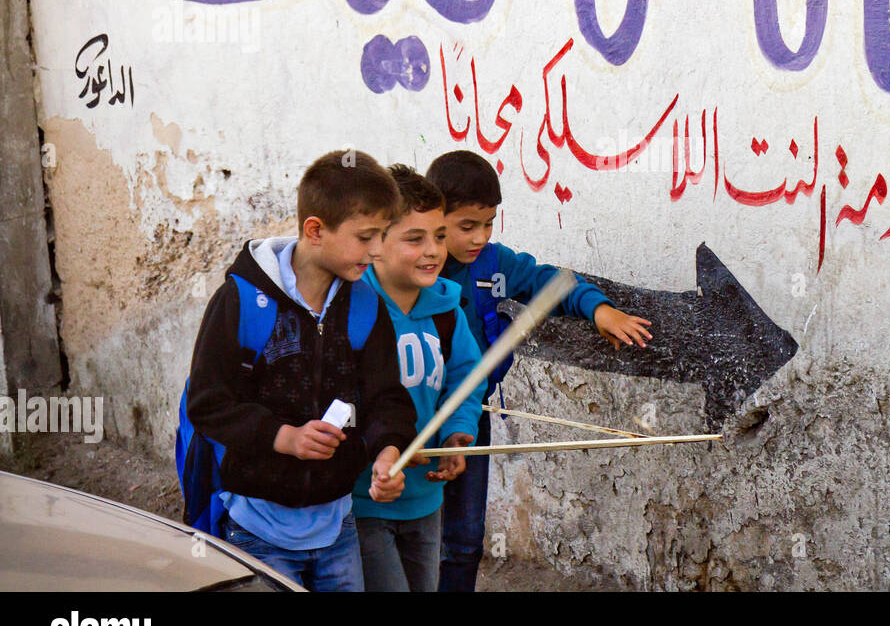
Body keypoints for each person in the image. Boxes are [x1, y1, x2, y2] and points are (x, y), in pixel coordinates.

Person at [185, 149, 417, 591]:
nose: (377, 250)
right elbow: (208, 403)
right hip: (257, 531)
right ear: (315, 230)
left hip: (338, 526)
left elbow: (387, 398)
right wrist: (284, 437)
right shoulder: (240, 302)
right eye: (366, 236)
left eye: (383, 235)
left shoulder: (366, 307)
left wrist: (389, 452)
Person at [426, 150, 653, 591]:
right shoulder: (413, 267)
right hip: (415, 417)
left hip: (472, 417)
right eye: (466, 226)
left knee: (465, 539)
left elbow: (555, 281)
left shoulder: (495, 265)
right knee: (413, 537)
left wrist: (599, 310)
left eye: (489, 223)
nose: (479, 237)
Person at [352, 164, 487, 591]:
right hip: (366, 501)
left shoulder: (447, 309)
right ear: (375, 245)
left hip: (427, 500)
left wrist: (456, 434)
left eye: (440, 236)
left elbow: (466, 377)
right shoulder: (354, 310)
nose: (433, 251)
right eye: (415, 238)